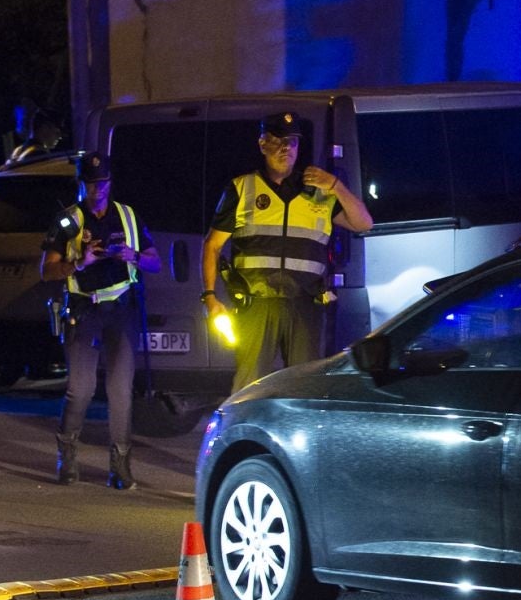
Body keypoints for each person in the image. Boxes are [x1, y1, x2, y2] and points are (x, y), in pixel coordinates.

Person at [200, 112, 373, 392]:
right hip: (256, 303)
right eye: (278, 141)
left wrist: (336, 186)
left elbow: (364, 223)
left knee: (304, 386)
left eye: (292, 142)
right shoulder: (242, 188)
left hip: (304, 303)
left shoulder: (318, 190)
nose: (285, 148)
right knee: (249, 386)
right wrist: (209, 296)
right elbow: (212, 245)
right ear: (262, 145)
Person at [39, 151, 160, 488]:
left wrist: (133, 256)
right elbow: (46, 270)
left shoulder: (128, 216)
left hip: (121, 309)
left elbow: (155, 262)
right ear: (81, 184)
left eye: (103, 182)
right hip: (84, 310)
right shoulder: (68, 221)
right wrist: (80, 263)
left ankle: (120, 467)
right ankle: (67, 456)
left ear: (110, 181)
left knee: (120, 390)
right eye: (92, 184)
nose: (98, 189)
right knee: (81, 389)